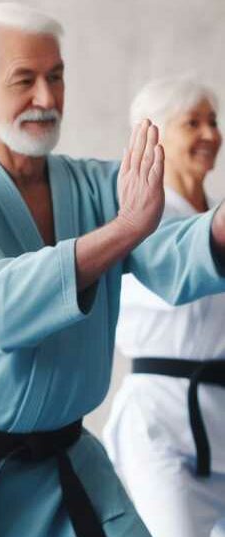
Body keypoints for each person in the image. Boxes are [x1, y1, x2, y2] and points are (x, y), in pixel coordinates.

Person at [0, 4, 225, 537]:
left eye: (56, 77)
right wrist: (120, 231)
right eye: (25, 80)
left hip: (69, 465)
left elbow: (172, 251)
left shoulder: (95, 186)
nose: (46, 99)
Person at [104, 77, 225, 537]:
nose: (210, 134)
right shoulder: (131, 219)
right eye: (191, 123)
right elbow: (172, 285)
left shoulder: (214, 213)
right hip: (161, 420)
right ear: (153, 135)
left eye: (213, 121)